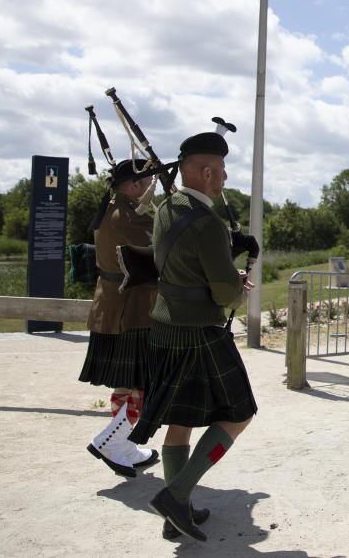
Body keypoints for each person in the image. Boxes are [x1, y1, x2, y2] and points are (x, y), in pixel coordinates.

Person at [128, 131, 256, 542]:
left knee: (180, 419)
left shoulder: (168, 208)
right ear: (205, 172)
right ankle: (176, 494)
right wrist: (236, 284)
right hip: (199, 330)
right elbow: (222, 292)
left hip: (165, 324)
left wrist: (224, 272)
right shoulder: (209, 223)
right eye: (220, 170)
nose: (224, 176)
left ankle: (175, 515)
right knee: (238, 415)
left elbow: (183, 266)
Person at [80, 160, 160, 477]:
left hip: (117, 307)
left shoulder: (120, 209)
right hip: (128, 310)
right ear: (132, 185)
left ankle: (122, 444)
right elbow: (162, 245)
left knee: (128, 385)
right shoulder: (125, 217)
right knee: (140, 384)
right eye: (147, 182)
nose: (151, 187)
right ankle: (109, 441)